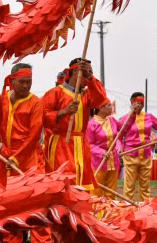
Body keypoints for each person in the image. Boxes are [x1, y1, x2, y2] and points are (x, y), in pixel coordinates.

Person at [0, 63, 53, 243]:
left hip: (28, 158)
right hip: (5, 158)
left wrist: (16, 156)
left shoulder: (36, 103)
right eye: (22, 82)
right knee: (8, 201)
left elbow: (33, 135)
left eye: (29, 82)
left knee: (36, 200)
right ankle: (12, 242)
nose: (26, 86)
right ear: (12, 81)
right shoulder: (3, 100)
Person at [41, 58, 107, 192]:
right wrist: (63, 112)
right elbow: (41, 117)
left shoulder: (87, 95)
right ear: (77, 72)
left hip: (81, 144)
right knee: (63, 180)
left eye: (91, 74)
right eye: (87, 73)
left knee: (82, 180)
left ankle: (78, 211)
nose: (89, 77)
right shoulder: (55, 93)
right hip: (61, 143)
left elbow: (101, 100)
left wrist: (90, 77)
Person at [119, 92, 157, 202]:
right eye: (137, 103)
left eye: (142, 103)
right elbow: (119, 136)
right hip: (130, 154)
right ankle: (126, 209)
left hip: (145, 154)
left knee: (145, 187)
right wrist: (120, 147)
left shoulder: (149, 117)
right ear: (132, 103)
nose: (140, 105)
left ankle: (145, 209)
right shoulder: (126, 118)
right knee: (129, 186)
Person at [88, 99, 137, 199]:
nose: (112, 107)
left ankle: (110, 212)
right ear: (101, 108)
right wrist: (101, 152)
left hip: (113, 161)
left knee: (111, 191)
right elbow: (89, 144)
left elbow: (125, 127)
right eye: (109, 105)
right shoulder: (91, 124)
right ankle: (95, 213)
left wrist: (132, 113)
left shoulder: (112, 120)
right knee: (96, 191)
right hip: (98, 162)